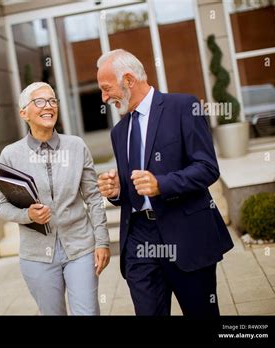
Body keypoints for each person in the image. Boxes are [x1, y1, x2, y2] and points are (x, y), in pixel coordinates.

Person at [96, 49, 233, 316]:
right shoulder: (119, 132)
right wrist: (116, 191)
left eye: (106, 88)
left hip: (186, 234)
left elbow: (207, 168)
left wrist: (162, 184)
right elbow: (133, 186)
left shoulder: (183, 107)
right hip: (139, 240)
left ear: (128, 80)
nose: (104, 97)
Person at [0, 82, 110, 315]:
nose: (48, 106)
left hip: (80, 247)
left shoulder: (76, 146)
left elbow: (93, 197)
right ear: (24, 112)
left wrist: (102, 241)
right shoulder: (11, 154)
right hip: (37, 256)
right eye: (39, 101)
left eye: (52, 100)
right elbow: (0, 206)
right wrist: (27, 215)